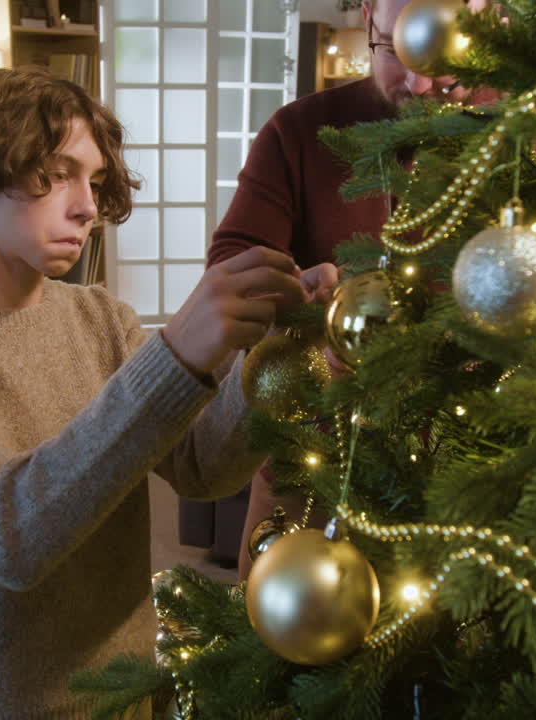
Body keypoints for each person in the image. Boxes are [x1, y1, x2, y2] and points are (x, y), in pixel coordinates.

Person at [0, 66, 333, 719]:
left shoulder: (99, 317)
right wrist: (176, 355)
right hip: (10, 702)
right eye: (55, 174)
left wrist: (282, 353)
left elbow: (202, 467)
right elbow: (8, 538)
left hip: (133, 681)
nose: (85, 205)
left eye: (95, 180)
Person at [203, 0, 498, 580]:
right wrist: (301, 305)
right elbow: (230, 264)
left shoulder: (525, 141)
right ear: (368, 19)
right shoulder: (298, 132)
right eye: (395, 50)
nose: (420, 84)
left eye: (443, 61)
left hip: (477, 474)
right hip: (314, 462)